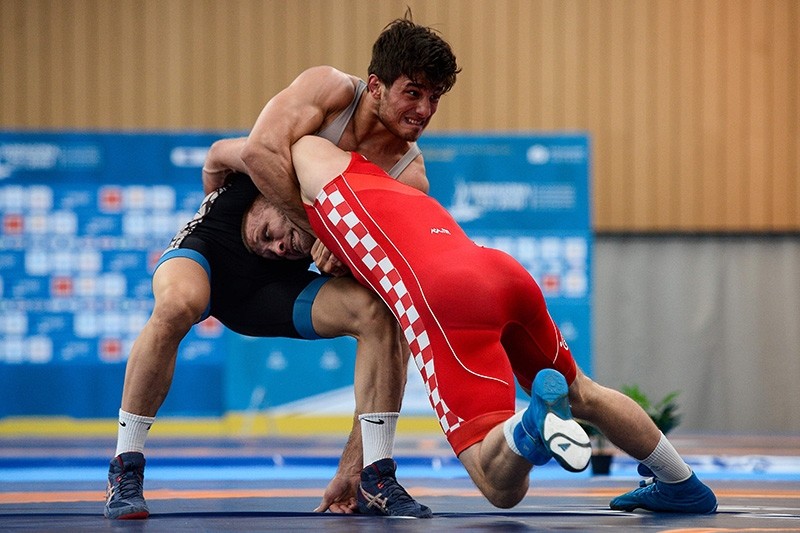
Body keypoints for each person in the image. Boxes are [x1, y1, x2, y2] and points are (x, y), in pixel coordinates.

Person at [104, 13, 460, 520]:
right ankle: (126, 466)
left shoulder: (408, 173)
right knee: (180, 302)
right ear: (377, 86)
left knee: (383, 317)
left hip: (283, 283)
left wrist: (337, 255)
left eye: (435, 98)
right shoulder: (331, 90)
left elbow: (373, 268)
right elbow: (254, 151)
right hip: (217, 244)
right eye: (414, 92)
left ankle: (370, 475)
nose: (424, 110)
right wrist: (316, 230)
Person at [281, 134, 718, 513]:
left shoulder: (307, 158)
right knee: (582, 391)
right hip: (501, 271)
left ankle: (530, 427)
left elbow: (247, 151)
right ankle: (682, 483)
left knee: (499, 487)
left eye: (274, 233)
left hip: (445, 294)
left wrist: (225, 186)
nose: (281, 245)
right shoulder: (402, 183)